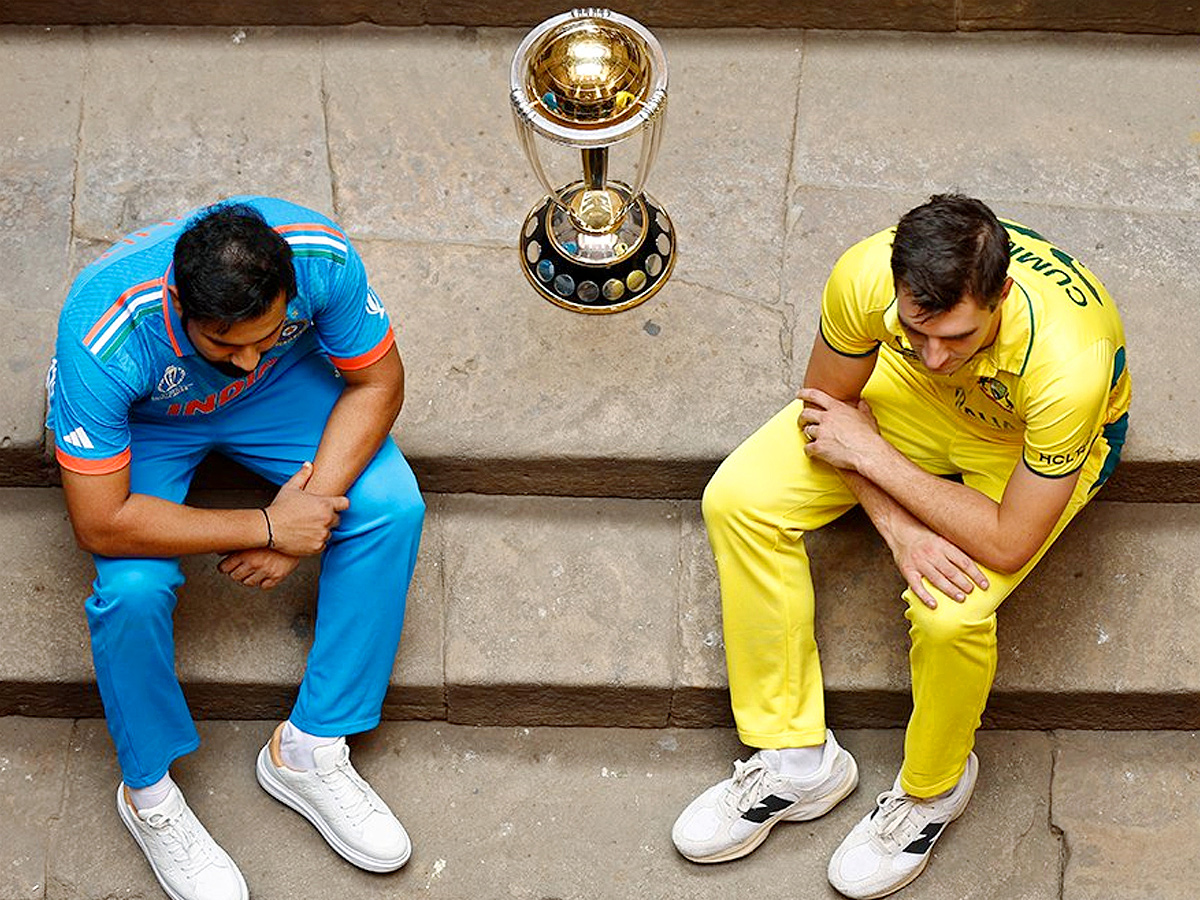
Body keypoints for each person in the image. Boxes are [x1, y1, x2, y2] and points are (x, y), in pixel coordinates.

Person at [671, 194, 1129, 898]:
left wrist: (876, 460)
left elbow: (1008, 541)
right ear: (896, 286)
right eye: (917, 329)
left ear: (1001, 295)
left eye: (958, 335)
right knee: (737, 500)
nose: (937, 353)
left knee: (954, 612)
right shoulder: (863, 275)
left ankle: (933, 791)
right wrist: (899, 526)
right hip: (908, 402)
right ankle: (797, 760)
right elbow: (827, 414)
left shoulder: (1072, 363)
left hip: (1021, 441)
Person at [47, 197, 426, 900]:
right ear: (178, 307)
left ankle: (309, 751)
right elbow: (100, 522)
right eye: (226, 344)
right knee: (131, 590)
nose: (246, 354)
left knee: (393, 506)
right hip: (151, 419)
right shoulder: (103, 334)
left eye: (267, 330)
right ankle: (149, 796)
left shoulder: (319, 256)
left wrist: (308, 513)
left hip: (281, 394)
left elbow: (377, 381)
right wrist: (268, 527)